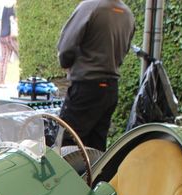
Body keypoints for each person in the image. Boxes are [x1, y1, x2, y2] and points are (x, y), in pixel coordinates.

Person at [56, 0, 135, 151]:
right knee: (96, 147)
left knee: (67, 145)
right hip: (110, 88)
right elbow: (124, 51)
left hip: (86, 86)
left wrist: (66, 63)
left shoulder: (90, 6)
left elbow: (66, 47)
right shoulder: (127, 14)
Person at [0, 1, 19, 88]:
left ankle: (1, 81)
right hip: (10, 37)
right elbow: (14, 21)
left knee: (4, 59)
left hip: (2, 36)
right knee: (21, 54)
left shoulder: (4, 8)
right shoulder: (13, 9)